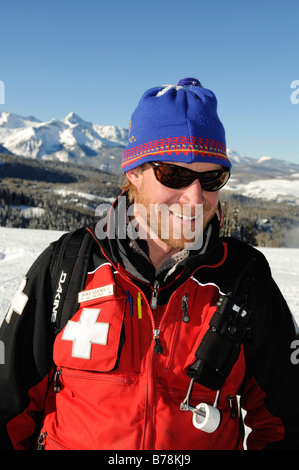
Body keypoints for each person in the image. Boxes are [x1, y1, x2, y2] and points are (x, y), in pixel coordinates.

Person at [0, 77, 298, 451]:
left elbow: (287, 420)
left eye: (212, 178)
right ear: (133, 173)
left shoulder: (243, 277)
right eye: (174, 174)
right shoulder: (68, 264)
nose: (194, 197)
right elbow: (8, 407)